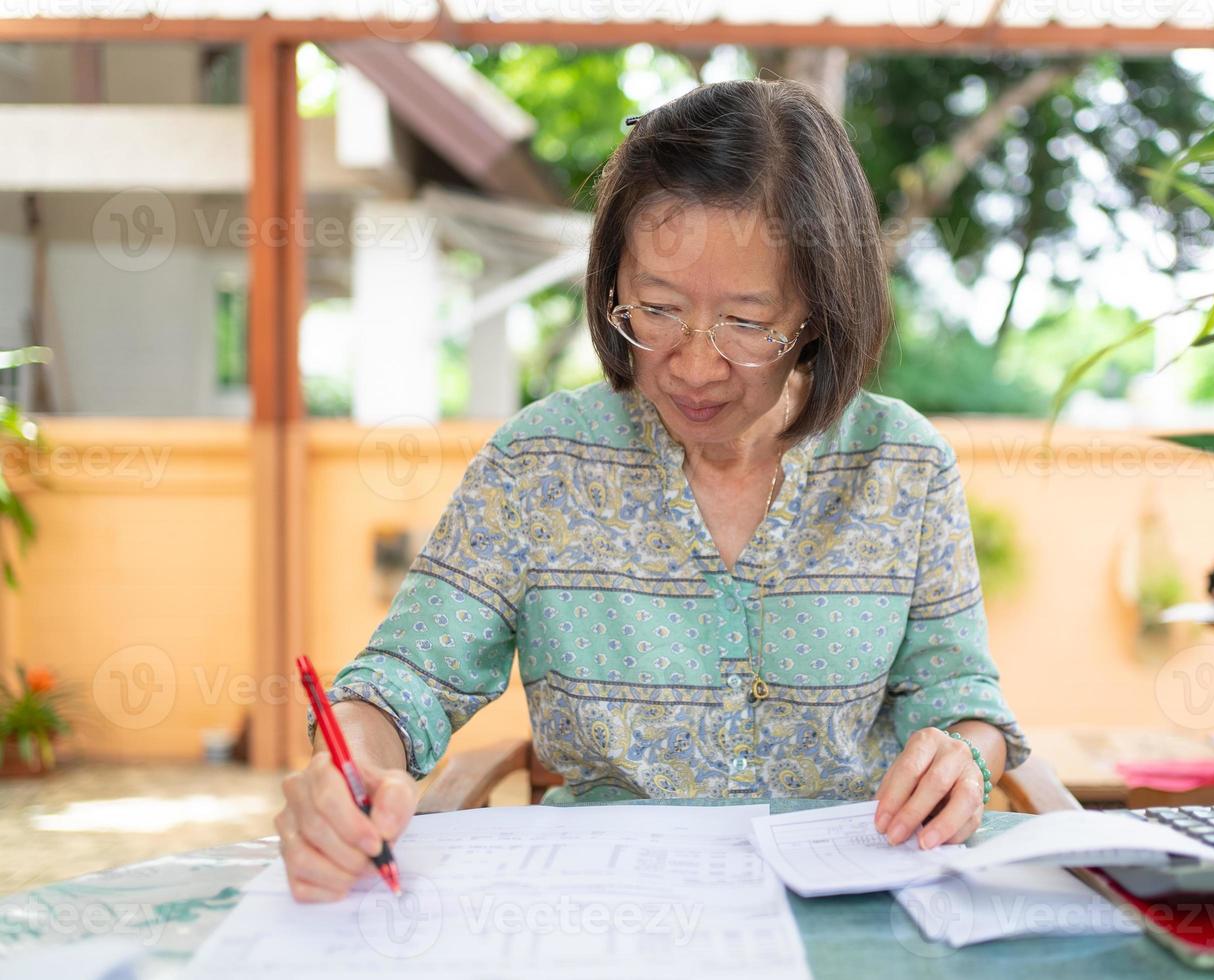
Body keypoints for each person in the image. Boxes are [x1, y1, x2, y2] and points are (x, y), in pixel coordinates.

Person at [274, 77, 1029, 903]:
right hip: (603, 907)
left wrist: (963, 756)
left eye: (746, 322)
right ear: (612, 285)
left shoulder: (903, 467)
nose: (695, 365)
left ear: (817, 309)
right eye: (657, 309)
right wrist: (347, 765)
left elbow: (963, 701)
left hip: (844, 904)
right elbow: (408, 679)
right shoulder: (540, 464)